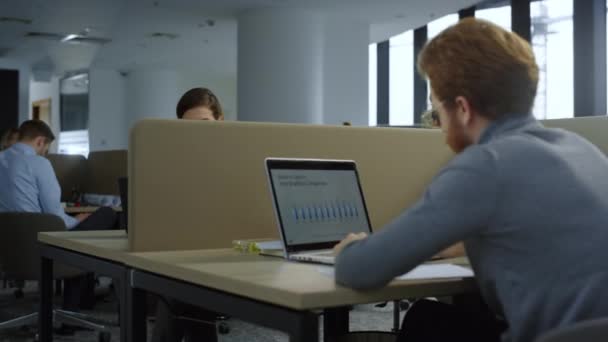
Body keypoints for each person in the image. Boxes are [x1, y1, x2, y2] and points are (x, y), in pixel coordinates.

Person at [333, 18, 608, 342]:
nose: (441, 129)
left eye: (438, 109)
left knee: (427, 322)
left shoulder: (485, 164)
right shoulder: (580, 147)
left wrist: (349, 249)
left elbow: (362, 269)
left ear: (462, 109)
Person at [152, 87, 224, 342]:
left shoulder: (233, 158)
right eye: (188, 126)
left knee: (177, 291)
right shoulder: (174, 163)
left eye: (204, 123)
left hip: (231, 249)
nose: (197, 133)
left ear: (219, 121)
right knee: (180, 286)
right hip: (188, 252)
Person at [0, 120, 118, 231]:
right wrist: (76, 220)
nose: (44, 155)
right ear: (40, 141)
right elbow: (54, 214)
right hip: (36, 235)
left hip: (7, 237)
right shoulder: (39, 163)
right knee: (108, 213)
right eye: (45, 151)